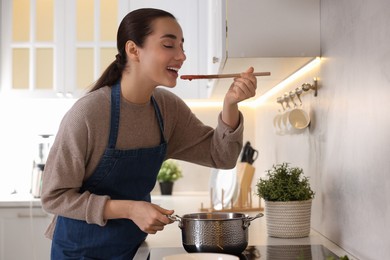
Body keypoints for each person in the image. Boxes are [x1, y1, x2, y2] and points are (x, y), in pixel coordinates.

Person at [41, 8, 257, 259]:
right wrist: (131, 209)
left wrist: (230, 104)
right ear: (133, 50)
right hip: (79, 252)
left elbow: (222, 156)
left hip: (132, 248)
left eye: (182, 46)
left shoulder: (167, 108)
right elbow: (54, 197)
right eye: (168, 45)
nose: (182, 55)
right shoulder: (89, 113)